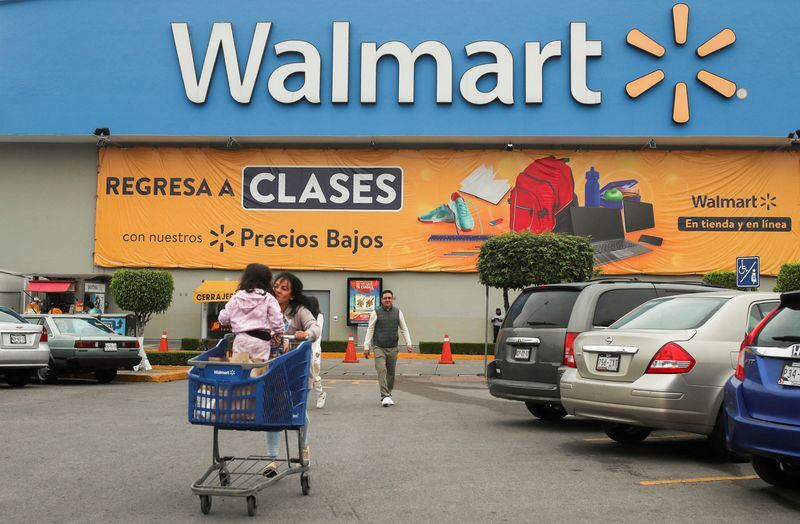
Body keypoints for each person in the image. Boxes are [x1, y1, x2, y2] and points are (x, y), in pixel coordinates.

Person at [264, 272, 321, 475]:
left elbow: (315, 327)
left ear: (292, 295)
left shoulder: (299, 311)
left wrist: (306, 334)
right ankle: (272, 459)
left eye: (284, 288)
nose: (278, 290)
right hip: (273, 369)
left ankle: (303, 446)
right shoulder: (266, 307)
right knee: (273, 412)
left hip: (297, 370)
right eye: (276, 286)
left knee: (298, 411)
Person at [218, 263, 285, 363]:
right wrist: (279, 333)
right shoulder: (268, 298)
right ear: (267, 280)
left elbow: (223, 319)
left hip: (240, 339)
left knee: (240, 368)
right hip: (261, 341)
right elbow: (277, 321)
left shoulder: (236, 297)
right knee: (258, 369)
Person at [363, 290, 413, 407]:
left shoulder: (398, 312)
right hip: (379, 347)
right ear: (381, 300)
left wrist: (409, 343)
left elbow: (404, 328)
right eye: (385, 298)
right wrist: (366, 346)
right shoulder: (375, 313)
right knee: (381, 370)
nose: (387, 300)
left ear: (392, 299)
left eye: (389, 298)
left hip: (393, 347)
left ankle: (388, 394)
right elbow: (370, 329)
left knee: (391, 373)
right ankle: (384, 396)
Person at [306, 296, 326, 409]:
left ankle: (320, 395)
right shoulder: (305, 316)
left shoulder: (319, 316)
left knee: (314, 375)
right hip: (305, 347)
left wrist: (316, 351)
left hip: (315, 348)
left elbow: (318, 334)